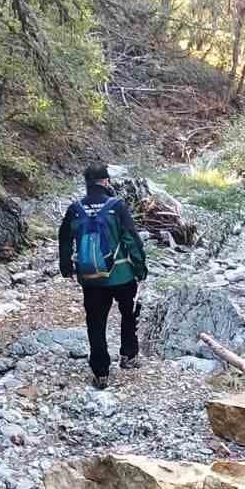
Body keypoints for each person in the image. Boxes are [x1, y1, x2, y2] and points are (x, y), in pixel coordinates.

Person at [58, 165, 148, 388]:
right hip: (121, 274)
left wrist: (66, 266)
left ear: (87, 183)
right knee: (129, 313)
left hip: (90, 278)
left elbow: (64, 239)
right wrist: (140, 267)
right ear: (106, 182)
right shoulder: (117, 207)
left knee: (95, 323)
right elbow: (131, 239)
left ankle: (101, 372)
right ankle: (128, 355)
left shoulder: (75, 209)